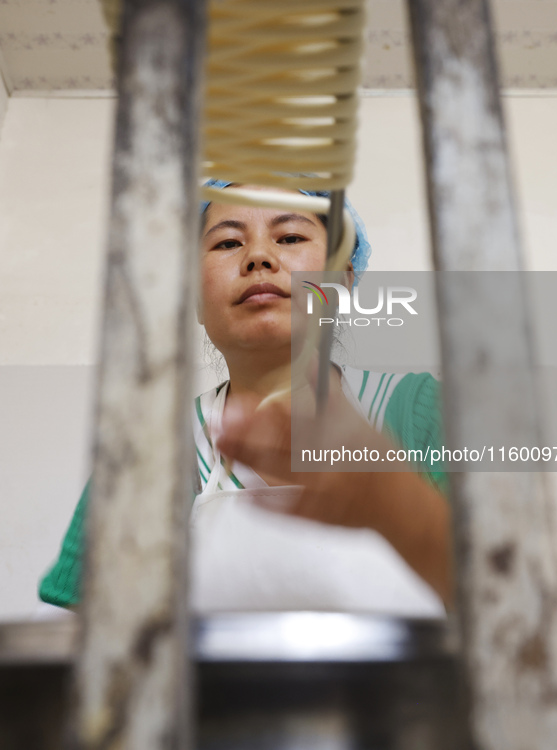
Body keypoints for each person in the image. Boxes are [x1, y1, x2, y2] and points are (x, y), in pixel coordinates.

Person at [38, 181, 453, 617]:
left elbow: (508, 595)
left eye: (290, 237)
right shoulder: (151, 448)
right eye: (228, 242)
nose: (259, 257)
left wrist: (391, 497)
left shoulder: (423, 411)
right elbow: (85, 646)